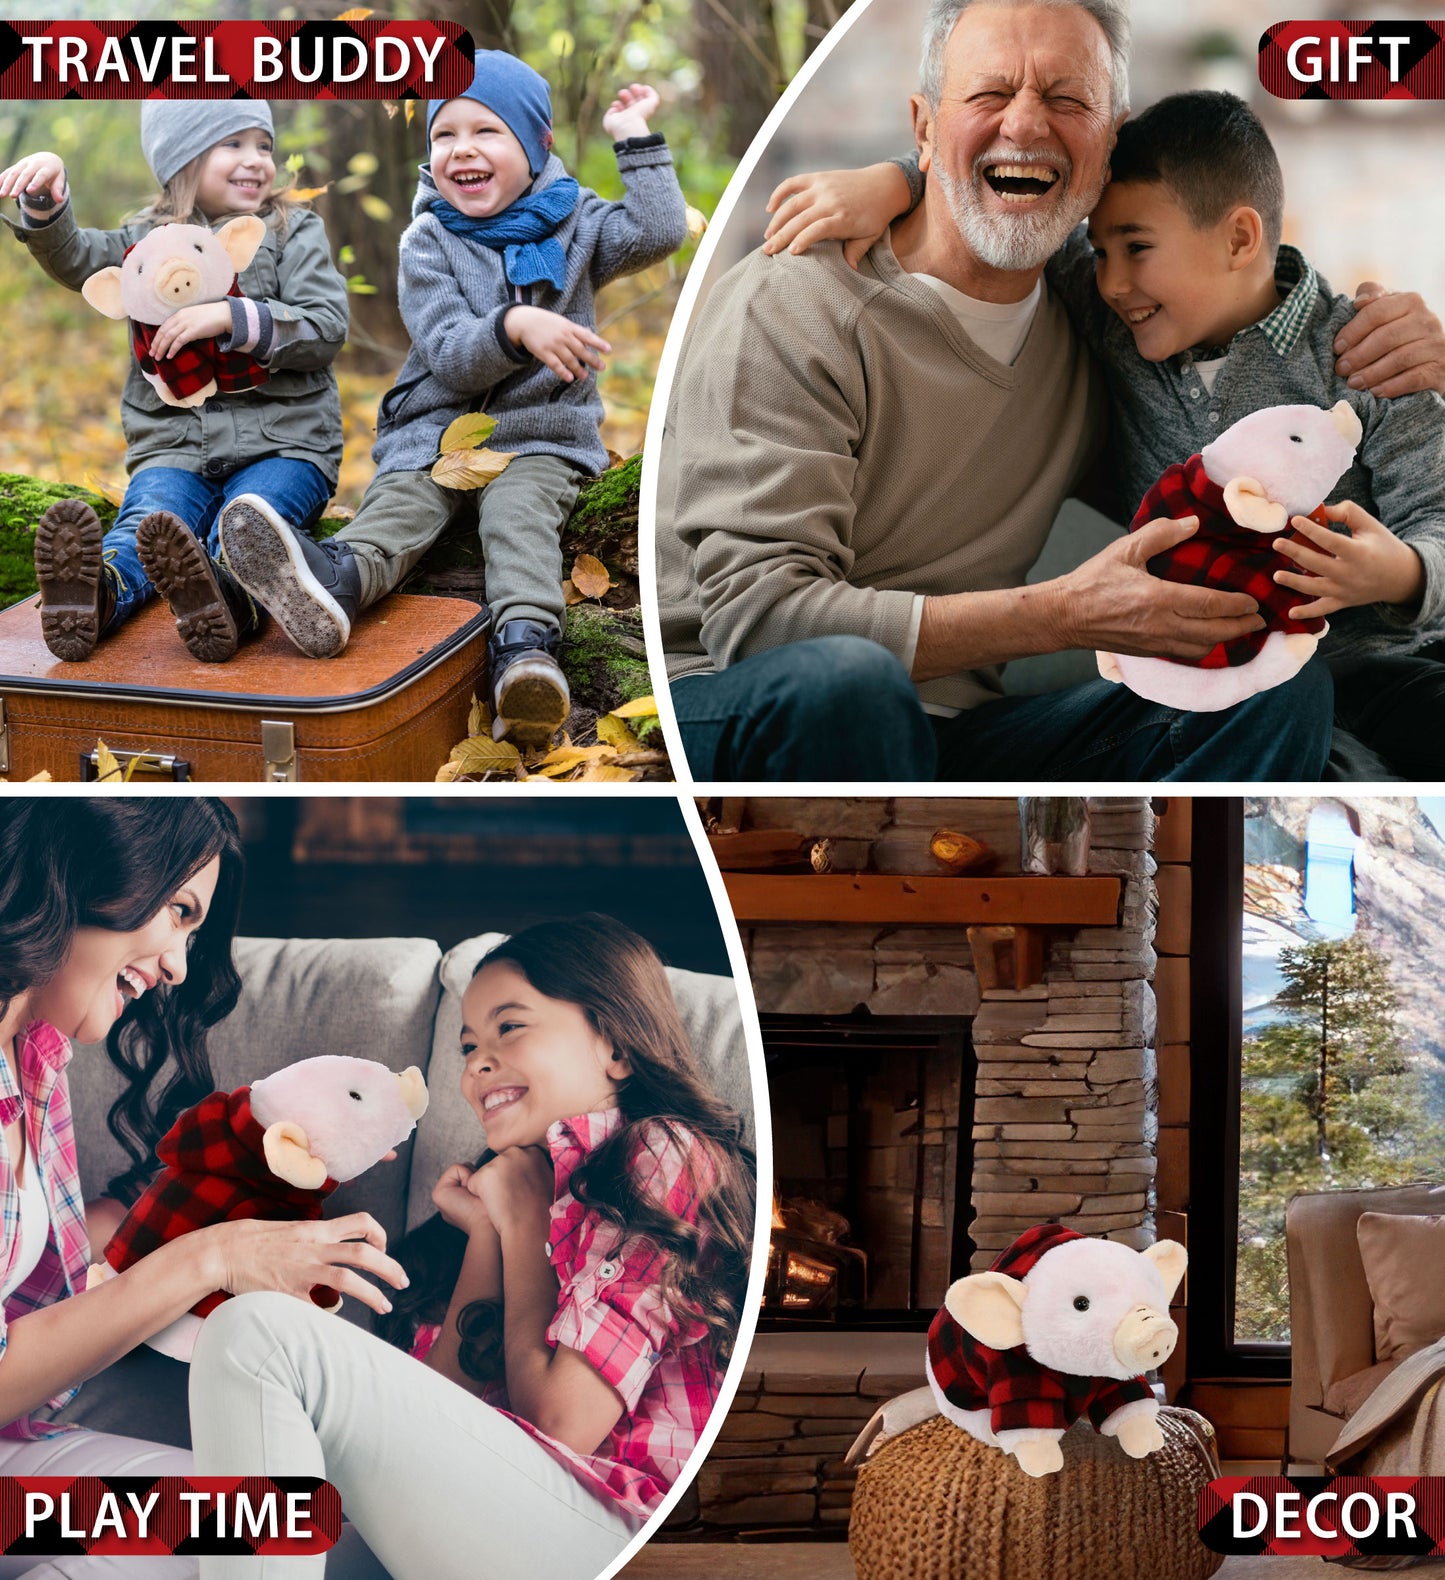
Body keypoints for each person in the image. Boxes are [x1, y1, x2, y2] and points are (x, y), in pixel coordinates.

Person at [655, 0, 1445, 783]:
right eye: (988, 94)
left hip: (966, 734)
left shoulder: (1093, 315)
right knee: (850, 686)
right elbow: (758, 623)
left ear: (1107, 146)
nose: (1026, 125)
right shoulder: (796, 302)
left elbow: (1215, 284)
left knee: (1270, 691)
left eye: (1067, 100)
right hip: (752, 699)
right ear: (924, 126)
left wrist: (1410, 353)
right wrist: (1064, 613)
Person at [188, 915, 755, 1580]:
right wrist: (489, 1230)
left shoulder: (663, 1155)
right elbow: (426, 1426)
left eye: (509, 1027)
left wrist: (520, 1223)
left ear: (617, 1049)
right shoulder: (524, 1186)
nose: (478, 1063)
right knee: (157, 1548)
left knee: (260, 1334)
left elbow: (563, 1422)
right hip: (507, 1511)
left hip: (611, 1524)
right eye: (467, 1044)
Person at [218, 51, 688, 748]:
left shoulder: (579, 223)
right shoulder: (429, 239)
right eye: (444, 135)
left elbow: (658, 232)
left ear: (537, 146)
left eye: (486, 132)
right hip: (437, 428)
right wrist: (513, 325)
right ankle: (334, 580)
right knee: (402, 502)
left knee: (518, 515)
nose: (461, 149)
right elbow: (449, 354)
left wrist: (634, 140)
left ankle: (523, 654)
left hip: (539, 432)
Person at [0, 801, 406, 1580]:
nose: (181, 967)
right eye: (179, 912)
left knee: (305, 1526)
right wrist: (210, 1256)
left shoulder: (38, 1058)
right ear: (87, 867)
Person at [0, 102, 348, 663]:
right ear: (182, 157)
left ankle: (229, 601)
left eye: (264, 146)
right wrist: (46, 202)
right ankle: (95, 596)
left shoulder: (291, 230)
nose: (256, 161)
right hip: (175, 448)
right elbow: (79, 260)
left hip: (286, 444)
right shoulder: (144, 238)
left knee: (251, 524)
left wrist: (234, 318)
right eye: (232, 145)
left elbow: (325, 326)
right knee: (150, 523)